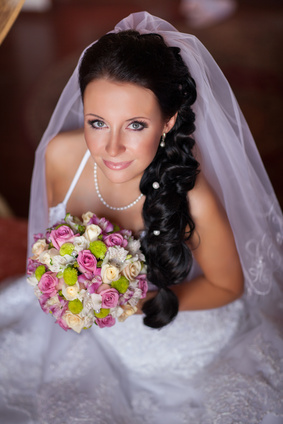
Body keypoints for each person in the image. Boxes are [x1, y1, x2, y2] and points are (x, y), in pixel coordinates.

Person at [0, 11, 282, 424]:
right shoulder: (59, 157)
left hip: (184, 336)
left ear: (167, 123)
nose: (112, 147)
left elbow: (228, 285)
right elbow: (47, 241)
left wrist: (141, 302)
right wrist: (69, 282)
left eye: (135, 125)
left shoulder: (192, 195)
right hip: (94, 329)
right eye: (97, 122)